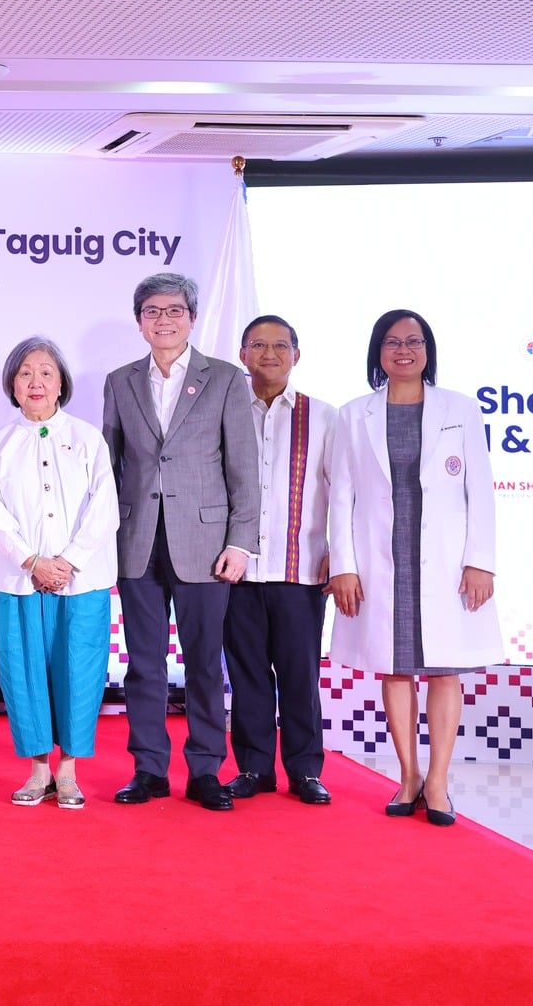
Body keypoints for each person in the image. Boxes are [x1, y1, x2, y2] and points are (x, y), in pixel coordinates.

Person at [328, 310, 499, 827]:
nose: (404, 350)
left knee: (444, 669)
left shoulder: (461, 410)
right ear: (377, 353)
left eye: (415, 341)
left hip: (446, 560)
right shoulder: (353, 414)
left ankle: (440, 782)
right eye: (393, 342)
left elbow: (481, 492)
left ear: (428, 350)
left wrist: (480, 562)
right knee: (396, 665)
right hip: (383, 556)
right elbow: (341, 496)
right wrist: (344, 566)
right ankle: (409, 776)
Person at [101, 271, 259, 812]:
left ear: (191, 317)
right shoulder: (120, 381)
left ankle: (206, 771)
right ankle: (148, 768)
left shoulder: (225, 379)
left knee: (203, 663)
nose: (163, 319)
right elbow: (111, 466)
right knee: (143, 663)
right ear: (140, 321)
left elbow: (245, 470)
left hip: (208, 544)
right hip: (136, 542)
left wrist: (241, 542)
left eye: (173, 310)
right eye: (152, 311)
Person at [0, 337, 118, 810]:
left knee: (80, 672)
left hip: (83, 581)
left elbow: (105, 508)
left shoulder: (87, 438)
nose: (35, 382)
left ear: (62, 383)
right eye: (25, 373)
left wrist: (68, 561)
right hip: (20, 581)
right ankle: (38, 771)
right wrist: (32, 561)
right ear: (12, 386)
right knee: (24, 672)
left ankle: (69, 773)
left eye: (46, 372)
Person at [224, 315, 336, 806]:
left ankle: (306, 770)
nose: (269, 354)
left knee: (299, 673)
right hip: (236, 571)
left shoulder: (326, 417)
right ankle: (252, 768)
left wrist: (342, 555)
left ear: (297, 354)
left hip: (301, 568)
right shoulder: (224, 412)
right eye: (258, 345)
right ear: (243, 354)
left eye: (280, 345)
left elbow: (345, 493)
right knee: (246, 673)